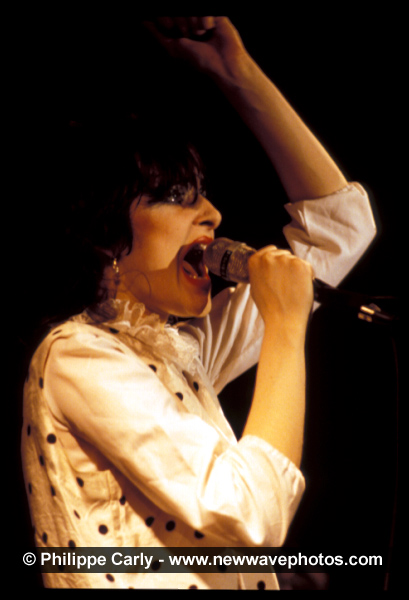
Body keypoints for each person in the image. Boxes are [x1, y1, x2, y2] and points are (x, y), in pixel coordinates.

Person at [21, 17, 377, 590]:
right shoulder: (77, 356)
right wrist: (285, 327)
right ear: (107, 234)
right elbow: (250, 516)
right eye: (177, 198)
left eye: (204, 195)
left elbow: (340, 228)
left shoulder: (182, 352)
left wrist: (237, 73)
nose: (212, 214)